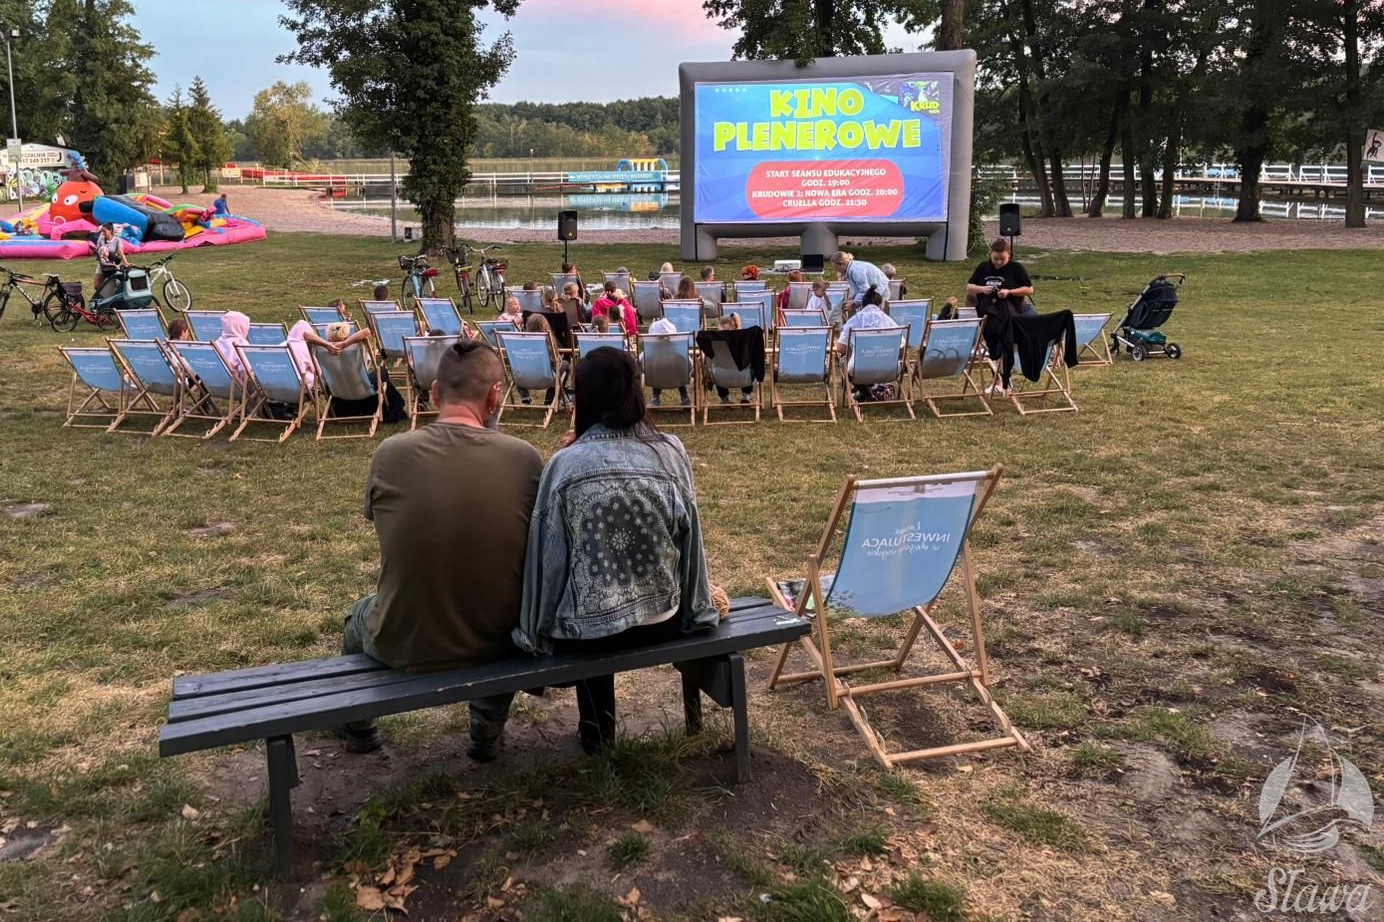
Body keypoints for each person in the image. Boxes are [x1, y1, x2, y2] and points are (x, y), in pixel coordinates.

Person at [339, 339, 544, 759]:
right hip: (498, 641)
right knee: (493, 605)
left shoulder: (391, 454)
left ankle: (358, 727)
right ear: (494, 395)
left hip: (405, 640)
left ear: (434, 393)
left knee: (357, 616)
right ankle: (486, 733)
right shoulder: (525, 459)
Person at [513, 346, 718, 754]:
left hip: (588, 634)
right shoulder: (672, 451)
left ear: (582, 398)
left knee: (593, 597)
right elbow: (691, 539)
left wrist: (533, 631)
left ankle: (598, 735)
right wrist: (699, 609)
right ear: (637, 391)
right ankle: (598, 733)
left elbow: (549, 558)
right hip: (664, 617)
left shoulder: (564, 465)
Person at [835, 286, 900, 401]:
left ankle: (868, 395)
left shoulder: (855, 321)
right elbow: (901, 346)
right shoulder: (890, 321)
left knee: (843, 362)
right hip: (890, 370)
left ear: (862, 306)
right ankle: (866, 392)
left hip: (860, 370)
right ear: (880, 305)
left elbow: (840, 349)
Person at [966, 237, 1035, 318]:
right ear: (990, 254)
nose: (999, 262)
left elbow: (1029, 290)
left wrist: (1009, 292)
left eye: (1002, 259)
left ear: (1009, 255)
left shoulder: (1016, 267)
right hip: (985, 308)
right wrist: (983, 289)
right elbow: (969, 287)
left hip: (1009, 309)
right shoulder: (983, 266)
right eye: (995, 259)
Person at [646, 316, 691, 407]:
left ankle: (655, 397)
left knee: (655, 368)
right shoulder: (680, 354)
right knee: (679, 368)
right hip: (678, 379)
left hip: (656, 379)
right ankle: (684, 397)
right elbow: (689, 365)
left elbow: (642, 366)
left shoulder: (649, 355)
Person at [712, 313, 754, 405]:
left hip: (721, 377)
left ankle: (724, 397)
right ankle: (746, 395)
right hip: (744, 377)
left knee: (716, 367)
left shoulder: (714, 342)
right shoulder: (746, 339)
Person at [92, 222, 128, 299]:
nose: (103, 233)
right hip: (102, 265)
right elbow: (97, 249)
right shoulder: (101, 239)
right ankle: (105, 297)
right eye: (102, 231)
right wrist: (98, 252)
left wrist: (126, 263)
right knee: (96, 286)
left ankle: (110, 299)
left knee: (113, 286)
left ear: (110, 230)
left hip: (113, 266)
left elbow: (121, 252)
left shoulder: (117, 240)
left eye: (104, 231)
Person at [214, 311, 250, 383]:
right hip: (236, 385)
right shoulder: (241, 344)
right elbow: (246, 369)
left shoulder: (216, 343)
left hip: (215, 382)